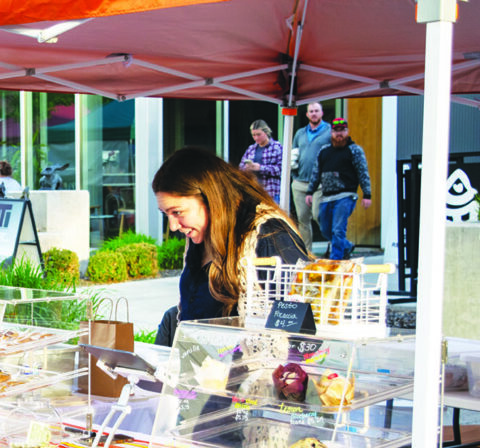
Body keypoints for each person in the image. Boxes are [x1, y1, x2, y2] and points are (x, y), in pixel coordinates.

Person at [152, 147, 310, 347]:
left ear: (211, 199)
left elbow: (300, 331)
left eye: (177, 212)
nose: (173, 226)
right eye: (165, 214)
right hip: (200, 371)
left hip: (248, 375)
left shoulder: (269, 234)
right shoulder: (199, 236)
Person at [305, 117, 372, 260]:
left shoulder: (354, 150)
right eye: (336, 131)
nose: (339, 134)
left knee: (337, 229)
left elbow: (363, 172)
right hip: (326, 196)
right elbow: (316, 173)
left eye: (343, 131)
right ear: (331, 132)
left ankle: (336, 260)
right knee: (324, 229)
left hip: (345, 196)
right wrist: (310, 191)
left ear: (347, 132)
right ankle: (346, 245)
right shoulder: (324, 151)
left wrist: (367, 194)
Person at [289, 103, 331, 251]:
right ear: (306, 114)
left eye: (316, 111)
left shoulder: (329, 131)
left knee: (318, 215)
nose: (314, 114)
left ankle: (336, 244)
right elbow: (293, 154)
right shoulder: (300, 133)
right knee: (302, 220)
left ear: (322, 113)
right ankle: (307, 253)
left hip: (320, 183)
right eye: (311, 111)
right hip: (300, 182)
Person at [238, 120, 284, 202]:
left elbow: (281, 170)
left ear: (266, 133)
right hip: (254, 191)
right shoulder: (251, 149)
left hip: (271, 192)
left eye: (258, 134)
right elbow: (240, 168)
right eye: (253, 135)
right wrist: (247, 168)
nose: (256, 138)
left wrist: (260, 168)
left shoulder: (276, 147)